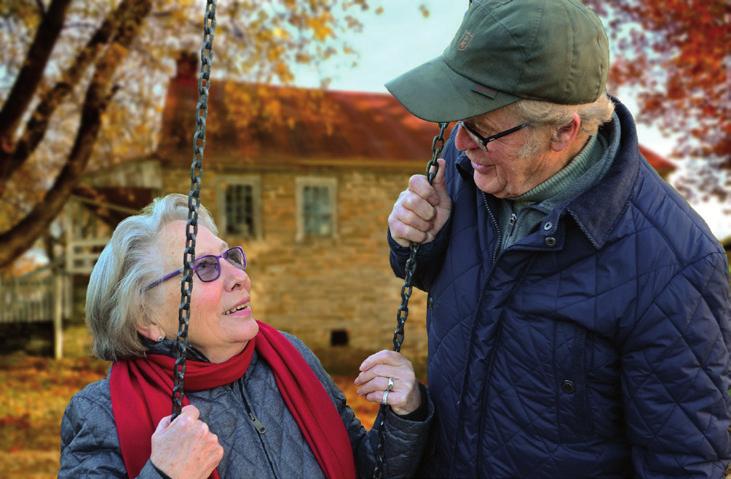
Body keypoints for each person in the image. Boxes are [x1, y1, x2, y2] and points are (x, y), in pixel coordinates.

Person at [385, 0, 731, 477]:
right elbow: (435, 278)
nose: (462, 143)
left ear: (563, 132)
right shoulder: (472, 164)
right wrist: (415, 239)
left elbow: (684, 463)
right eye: (459, 122)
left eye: (482, 131)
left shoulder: (676, 264)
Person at [60, 193, 432, 479]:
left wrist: (403, 413)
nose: (238, 276)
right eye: (204, 268)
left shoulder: (290, 358)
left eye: (230, 257)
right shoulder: (100, 412)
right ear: (146, 318)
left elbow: (365, 469)